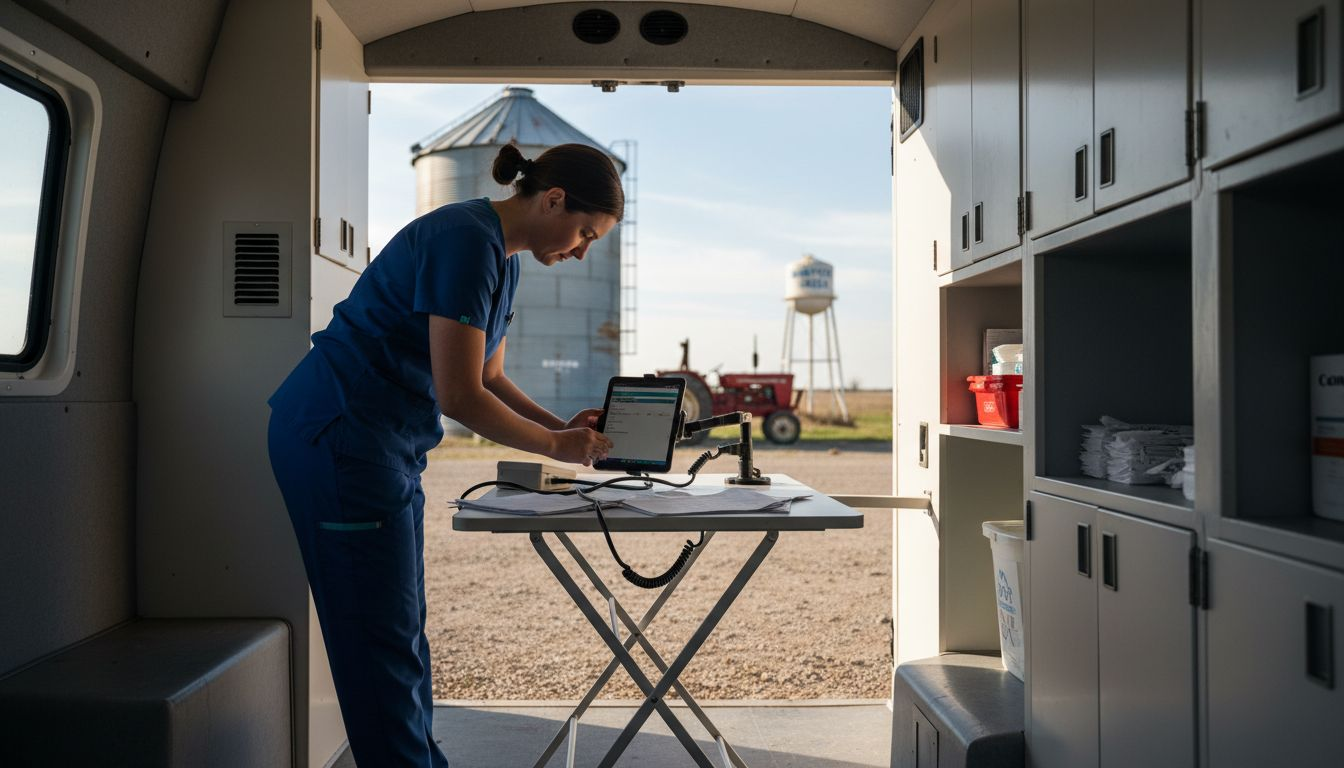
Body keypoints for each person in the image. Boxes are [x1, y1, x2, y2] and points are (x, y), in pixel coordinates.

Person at [267, 142, 622, 767]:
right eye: (585, 233)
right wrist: (554, 448)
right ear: (554, 200)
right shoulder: (464, 239)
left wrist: (558, 428)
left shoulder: (502, 258)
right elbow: (459, 396)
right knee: (377, 640)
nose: (583, 251)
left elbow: (489, 376)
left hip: (386, 444)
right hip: (342, 436)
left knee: (400, 628)